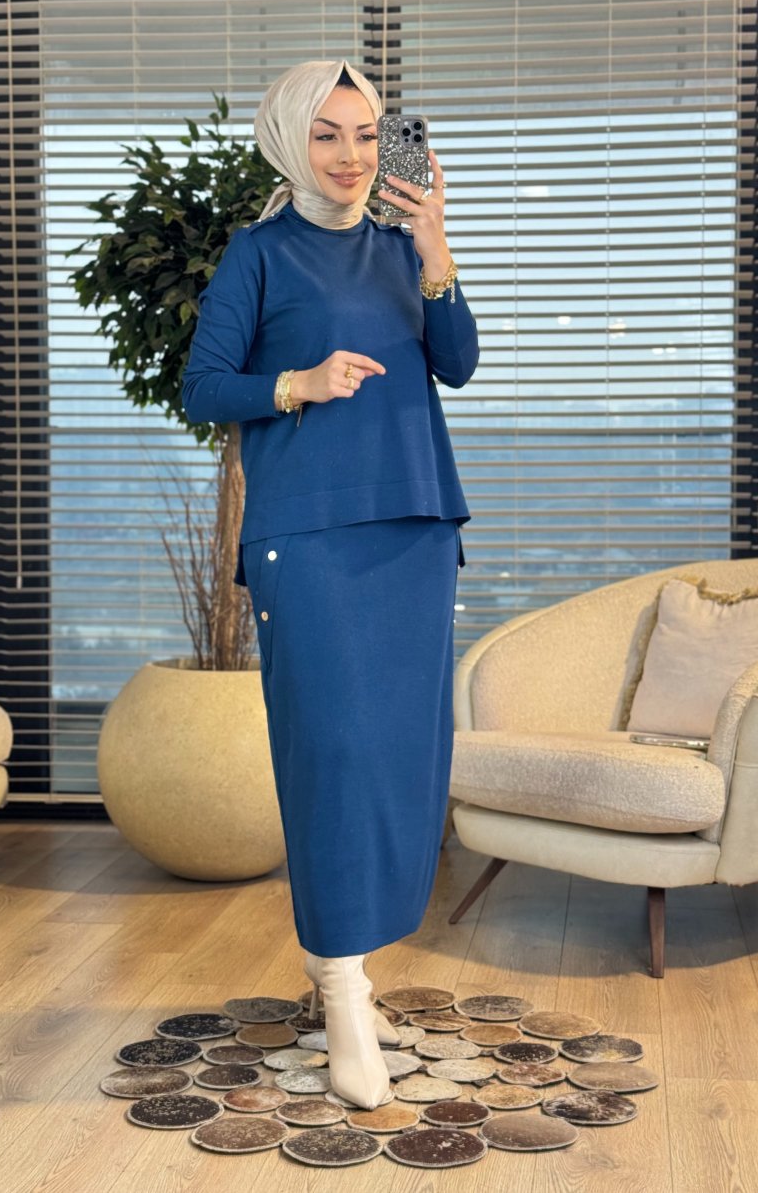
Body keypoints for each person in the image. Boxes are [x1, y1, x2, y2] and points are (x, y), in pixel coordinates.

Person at [181, 58, 479, 1108]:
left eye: (364, 134)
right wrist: (295, 383)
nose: (350, 155)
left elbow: (458, 363)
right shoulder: (258, 254)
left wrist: (435, 248)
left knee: (399, 759)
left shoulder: (403, 249)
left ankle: (350, 969)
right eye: (326, 133)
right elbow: (202, 384)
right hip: (305, 540)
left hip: (411, 529)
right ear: (287, 139)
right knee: (333, 753)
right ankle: (341, 988)